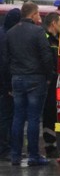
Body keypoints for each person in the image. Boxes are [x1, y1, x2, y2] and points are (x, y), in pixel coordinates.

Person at [3, 2, 53, 166]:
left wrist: (11, 80)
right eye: (38, 14)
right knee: (33, 118)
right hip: (35, 79)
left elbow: (6, 59)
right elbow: (46, 56)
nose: (39, 17)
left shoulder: (10, 33)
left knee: (18, 117)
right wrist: (48, 76)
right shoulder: (38, 32)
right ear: (32, 15)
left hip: (17, 78)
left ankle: (16, 155)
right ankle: (33, 155)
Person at [0, 8, 22, 159]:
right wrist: (8, 86)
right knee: (7, 116)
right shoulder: (6, 36)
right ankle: (5, 149)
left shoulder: (3, 32)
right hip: (4, 84)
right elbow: (5, 63)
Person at [42, 12, 60, 158]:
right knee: (49, 113)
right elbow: (48, 61)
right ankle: (50, 145)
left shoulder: (57, 39)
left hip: (55, 81)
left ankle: (54, 143)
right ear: (54, 23)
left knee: (54, 112)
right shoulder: (46, 39)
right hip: (48, 81)